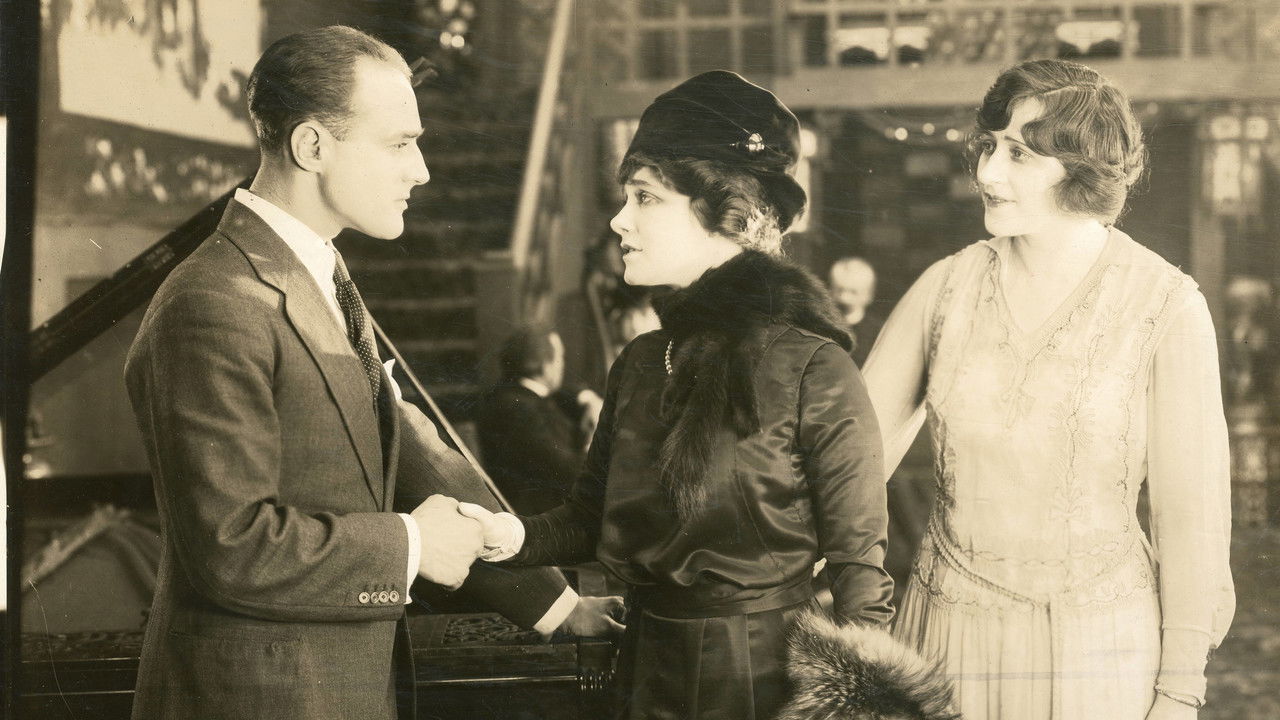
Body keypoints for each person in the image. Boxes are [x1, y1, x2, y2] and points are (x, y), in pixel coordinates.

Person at [123, 26, 616, 720]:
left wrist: (560, 608)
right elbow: (230, 545)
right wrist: (412, 545)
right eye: (399, 143)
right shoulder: (213, 302)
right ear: (312, 147)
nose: (422, 171)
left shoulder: (317, 273)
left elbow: (405, 452)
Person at [462, 70, 896, 720]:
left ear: (731, 216)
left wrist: (860, 704)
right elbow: (588, 517)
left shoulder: (815, 368)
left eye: (646, 197)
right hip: (643, 671)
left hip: (763, 681)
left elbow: (858, 570)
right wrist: (504, 535)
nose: (619, 220)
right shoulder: (641, 362)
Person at [863, 59, 1235, 719]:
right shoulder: (944, 288)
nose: (986, 173)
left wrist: (1179, 689)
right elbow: (850, 464)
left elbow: (1190, 515)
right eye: (989, 147)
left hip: (1101, 652)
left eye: (1018, 154)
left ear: (1081, 169)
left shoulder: (1165, 305)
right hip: (948, 643)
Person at [477, 326, 602, 514]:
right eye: (560, 358)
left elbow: (563, 393)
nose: (562, 365)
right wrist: (595, 435)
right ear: (545, 365)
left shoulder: (516, 393)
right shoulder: (519, 410)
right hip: (543, 514)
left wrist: (588, 399)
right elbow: (571, 473)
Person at [828, 256, 884, 368]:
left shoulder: (877, 333)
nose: (844, 298)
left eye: (853, 292)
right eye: (839, 290)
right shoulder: (822, 326)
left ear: (868, 295)